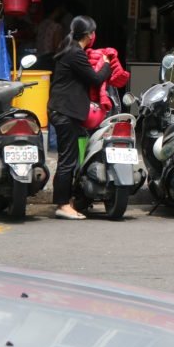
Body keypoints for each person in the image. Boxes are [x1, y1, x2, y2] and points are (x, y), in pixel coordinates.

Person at [47, 15, 113, 220]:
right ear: (89, 35)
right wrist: (106, 64)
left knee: (72, 156)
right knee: (68, 159)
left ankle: (71, 200)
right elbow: (95, 79)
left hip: (65, 110)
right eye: (94, 33)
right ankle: (63, 205)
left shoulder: (71, 49)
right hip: (65, 112)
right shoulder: (75, 53)